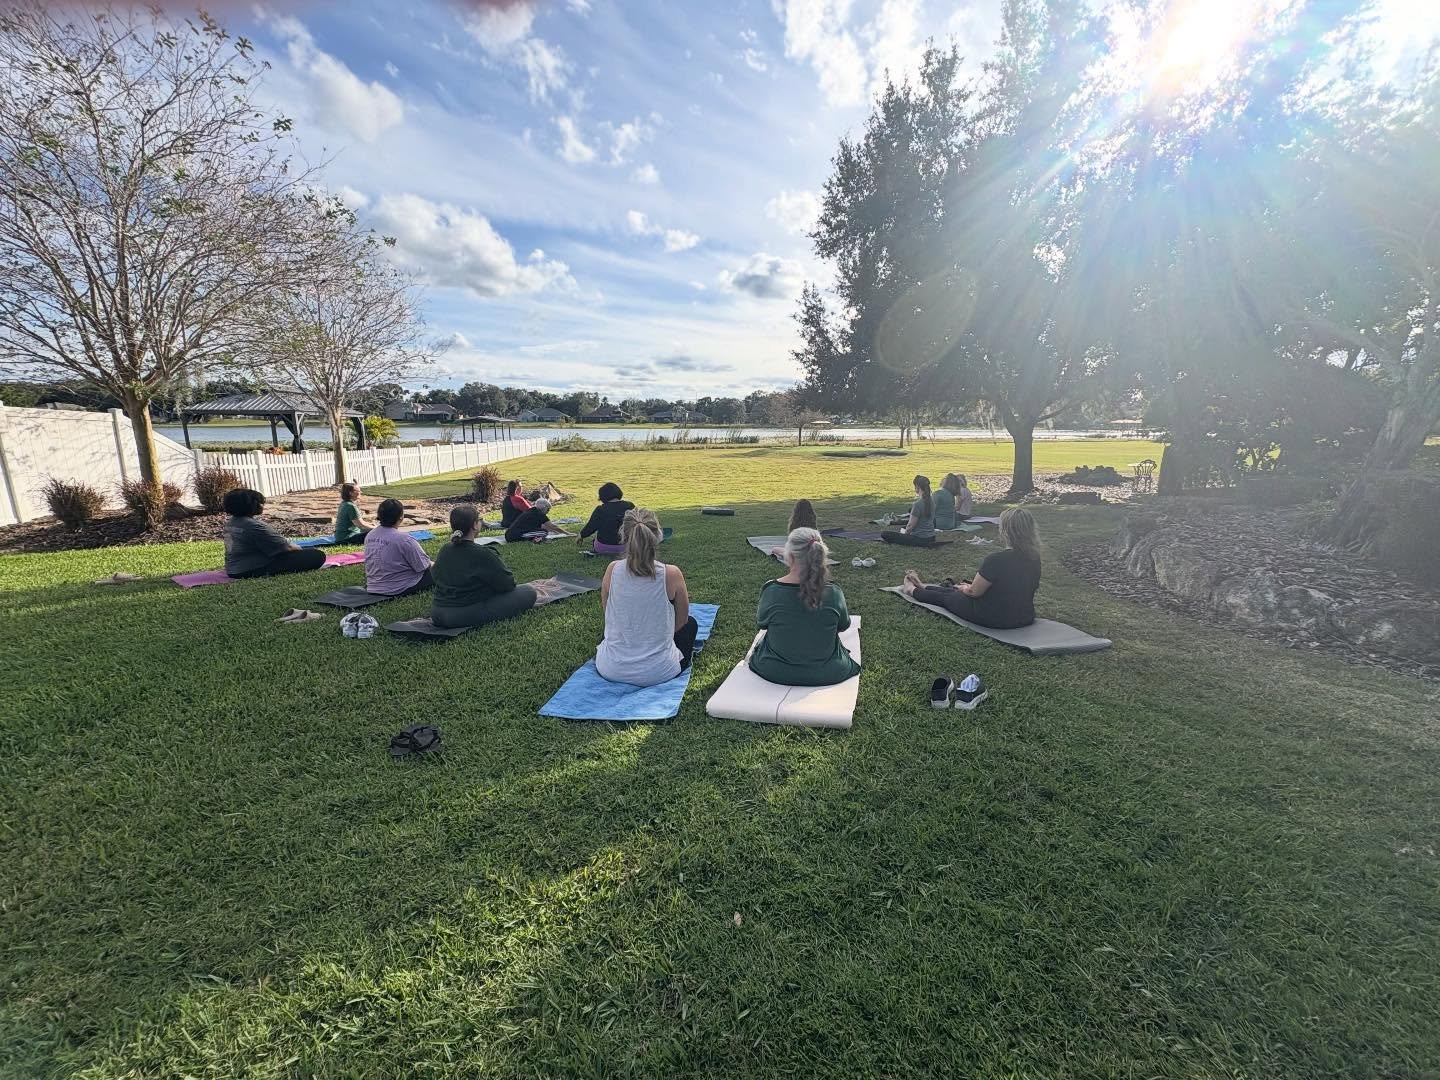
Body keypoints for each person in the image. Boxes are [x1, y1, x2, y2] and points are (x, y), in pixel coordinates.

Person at [595, 509, 698, 686]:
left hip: (610, 668)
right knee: (691, 625)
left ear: (624, 536)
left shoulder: (612, 570)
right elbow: (681, 621)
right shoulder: (671, 574)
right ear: (658, 535)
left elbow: (609, 613)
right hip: (659, 672)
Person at [748, 528, 861, 687]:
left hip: (774, 670)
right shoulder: (834, 592)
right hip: (829, 671)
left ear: (790, 557)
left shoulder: (772, 590)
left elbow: (762, 624)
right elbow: (843, 626)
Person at [902, 507, 1041, 629]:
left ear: (1005, 531)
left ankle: (911, 589)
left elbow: (974, 592)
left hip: (993, 617)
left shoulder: (996, 560)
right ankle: (922, 585)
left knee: (948, 597)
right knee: (954, 590)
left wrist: (964, 589)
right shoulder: (1034, 557)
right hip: (1024, 616)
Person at [430, 504, 537, 628]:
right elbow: (507, 584)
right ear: (475, 525)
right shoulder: (482, 553)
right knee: (529, 592)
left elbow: (435, 575)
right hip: (460, 614)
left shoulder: (445, 549)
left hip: (437, 613)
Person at [222, 488, 327, 578]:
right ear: (250, 505)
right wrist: (299, 550)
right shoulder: (254, 526)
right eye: (259, 503)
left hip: (232, 569)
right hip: (251, 569)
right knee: (317, 555)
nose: (261, 506)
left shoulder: (231, 523)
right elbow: (286, 548)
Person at [362, 498, 433, 597]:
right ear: (401, 517)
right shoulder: (404, 539)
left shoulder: (370, 535)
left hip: (373, 587)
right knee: (439, 570)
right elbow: (423, 567)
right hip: (398, 588)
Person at [880, 475, 937, 546]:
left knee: (884, 533)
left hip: (919, 539)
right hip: (931, 537)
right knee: (903, 528)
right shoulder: (932, 501)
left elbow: (910, 526)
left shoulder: (918, 504)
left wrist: (904, 536)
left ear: (917, 487)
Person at [578, 482, 635, 553]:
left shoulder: (600, 509)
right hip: (627, 547)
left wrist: (581, 535)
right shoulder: (630, 506)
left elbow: (591, 527)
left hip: (603, 547)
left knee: (596, 537)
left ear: (602, 496)